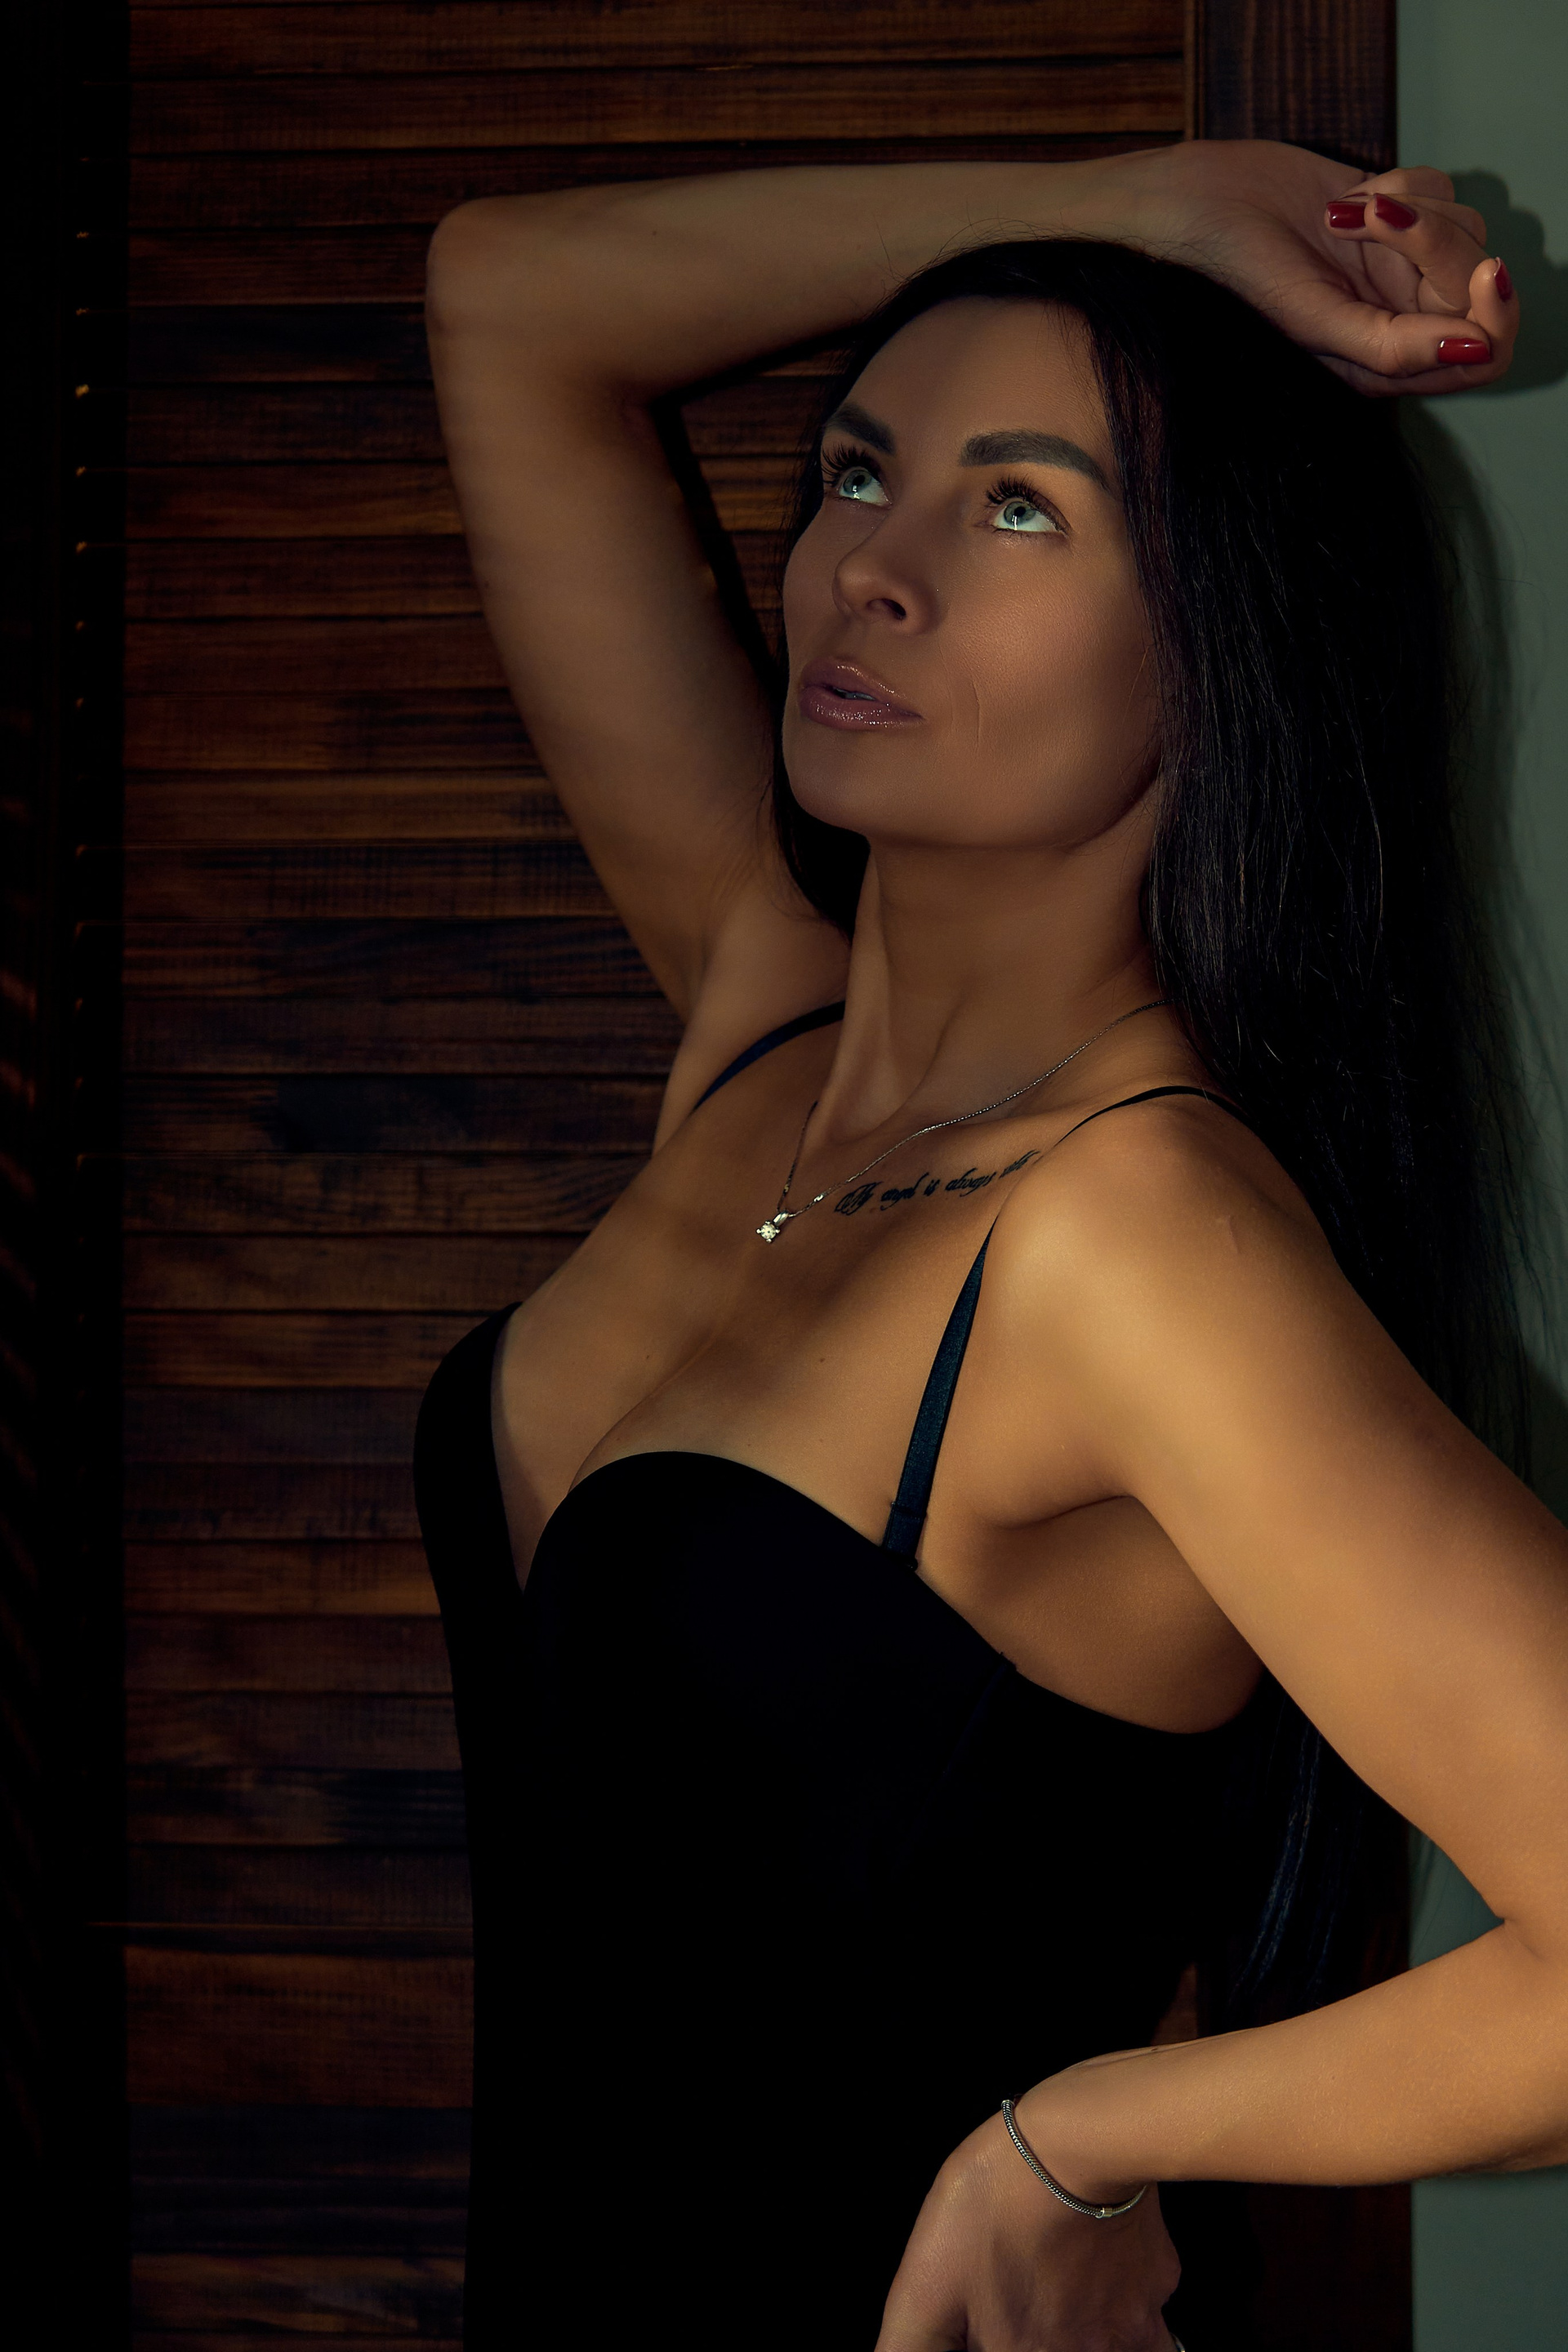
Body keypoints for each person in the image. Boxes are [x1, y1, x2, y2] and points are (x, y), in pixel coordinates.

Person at [412, 138, 1564, 2350]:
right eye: (862, 474)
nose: (875, 569)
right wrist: (1150, 210)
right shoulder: (769, 1043)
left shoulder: (1127, 1236)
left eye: (1022, 508)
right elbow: (510, 301)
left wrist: (1087, 2140)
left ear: (1223, 645)